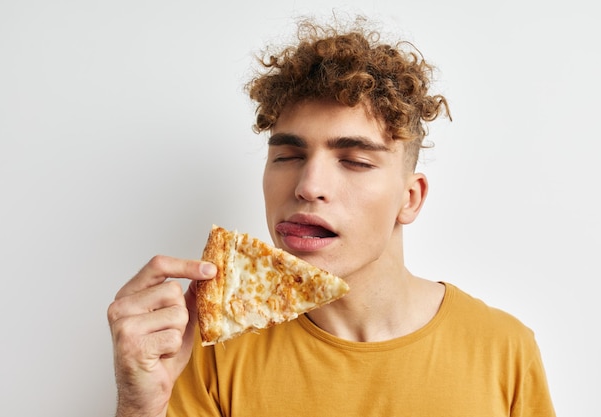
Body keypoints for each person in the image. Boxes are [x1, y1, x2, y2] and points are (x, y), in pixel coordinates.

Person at [107, 15, 556, 417]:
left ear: (410, 198)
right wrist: (140, 407)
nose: (308, 186)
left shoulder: (503, 350)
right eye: (287, 155)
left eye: (355, 161)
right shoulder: (206, 350)